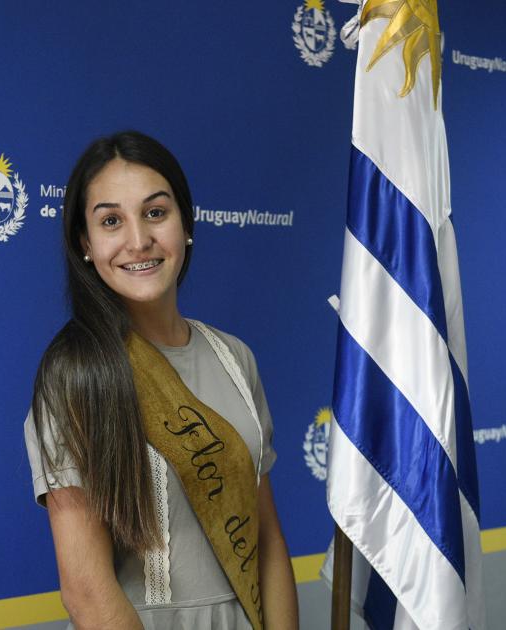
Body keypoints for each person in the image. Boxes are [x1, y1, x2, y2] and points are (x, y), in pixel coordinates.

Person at [23, 131, 298, 629]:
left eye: (155, 212)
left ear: (186, 224)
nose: (139, 241)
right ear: (86, 244)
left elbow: (269, 543)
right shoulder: (75, 374)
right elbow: (86, 591)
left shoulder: (236, 358)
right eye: (111, 221)